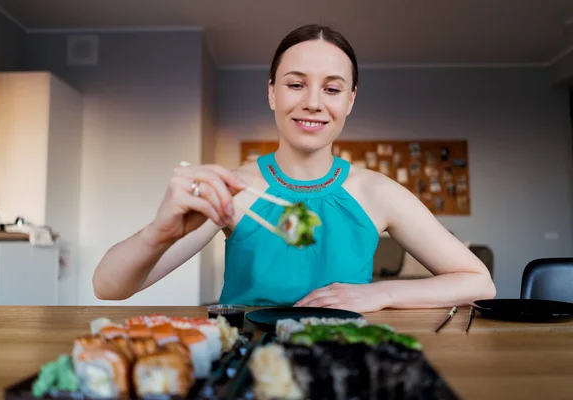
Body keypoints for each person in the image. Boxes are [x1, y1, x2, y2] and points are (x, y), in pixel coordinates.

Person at [93, 24, 496, 312]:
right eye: (295, 84)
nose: (314, 103)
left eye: (333, 89)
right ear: (272, 92)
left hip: (342, 358)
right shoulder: (234, 188)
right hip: (246, 364)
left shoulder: (377, 192)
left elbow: (479, 282)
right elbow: (108, 287)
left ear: (350, 100)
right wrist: (157, 233)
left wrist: (381, 294)